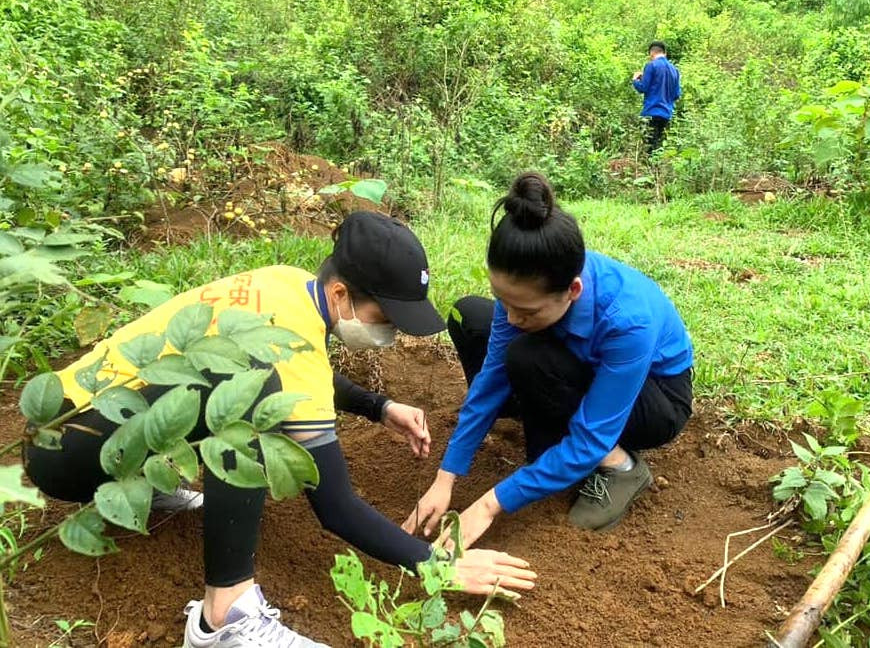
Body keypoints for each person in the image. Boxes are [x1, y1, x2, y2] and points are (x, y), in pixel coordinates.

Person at [23, 211, 536, 648]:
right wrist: (435, 564)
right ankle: (225, 614)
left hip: (70, 422)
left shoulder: (287, 284)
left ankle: (146, 483)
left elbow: (301, 368)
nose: (392, 331)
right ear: (341, 293)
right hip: (70, 451)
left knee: (246, 376)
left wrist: (378, 407)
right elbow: (335, 507)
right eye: (387, 317)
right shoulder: (274, 351)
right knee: (247, 388)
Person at [404, 173, 693, 550]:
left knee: (530, 358)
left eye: (524, 309)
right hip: (575, 362)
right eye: (503, 300)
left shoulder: (628, 321)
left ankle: (621, 467)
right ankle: (553, 440)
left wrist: (487, 506)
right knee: (472, 317)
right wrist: (446, 477)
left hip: (655, 399)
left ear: (573, 291)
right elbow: (489, 382)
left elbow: (590, 437)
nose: (509, 317)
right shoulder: (528, 297)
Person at [632, 41, 681, 155]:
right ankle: (656, 171)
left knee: (647, 147)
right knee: (658, 147)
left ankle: (647, 170)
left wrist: (635, 80)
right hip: (666, 114)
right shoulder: (675, 70)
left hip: (652, 111)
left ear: (651, 53)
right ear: (665, 52)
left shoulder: (651, 66)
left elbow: (643, 88)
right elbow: (677, 94)